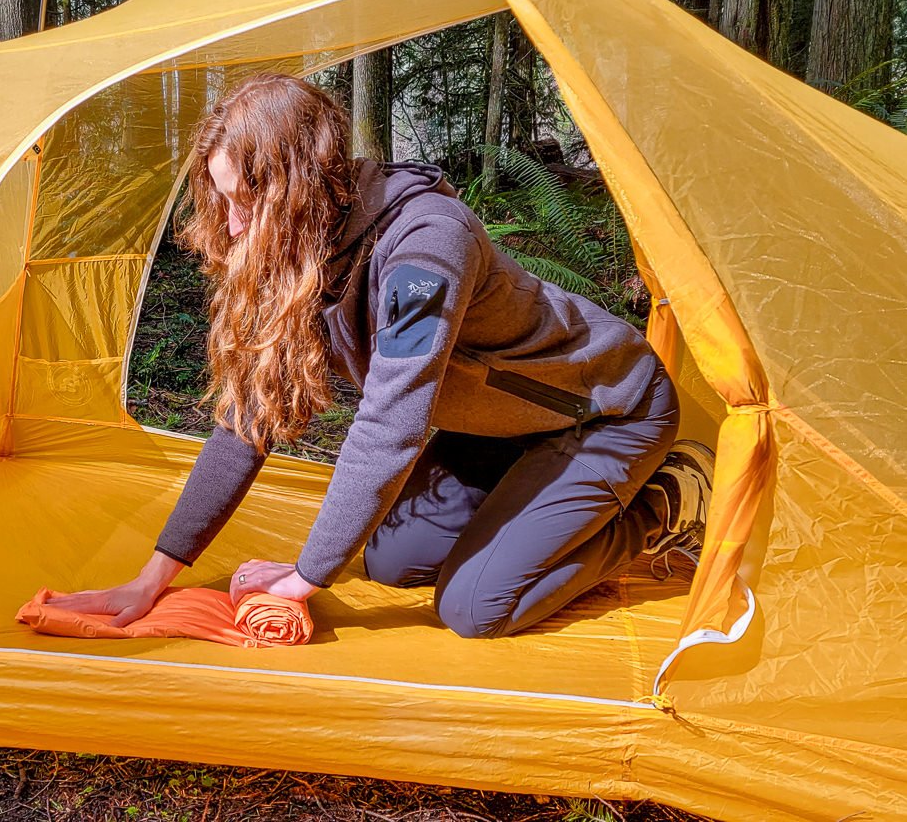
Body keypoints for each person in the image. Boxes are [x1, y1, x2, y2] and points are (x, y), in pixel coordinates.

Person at [47, 72, 711, 639]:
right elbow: (249, 418)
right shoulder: (306, 254)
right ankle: (538, 510)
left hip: (604, 411)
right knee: (393, 563)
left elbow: (391, 422)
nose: (232, 225)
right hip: (501, 426)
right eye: (222, 201)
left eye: (245, 202)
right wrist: (150, 581)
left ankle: (663, 505)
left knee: (476, 605)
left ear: (298, 188)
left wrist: (303, 580)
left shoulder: (425, 249)